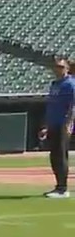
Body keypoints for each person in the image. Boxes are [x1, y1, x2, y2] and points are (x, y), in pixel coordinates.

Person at [41, 57, 74, 199]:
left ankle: (63, 188)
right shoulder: (55, 84)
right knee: (54, 155)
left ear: (67, 68)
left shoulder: (70, 84)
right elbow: (51, 106)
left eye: (61, 67)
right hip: (53, 123)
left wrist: (69, 124)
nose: (57, 69)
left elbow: (73, 106)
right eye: (56, 67)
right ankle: (58, 185)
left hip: (62, 123)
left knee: (61, 155)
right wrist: (46, 126)